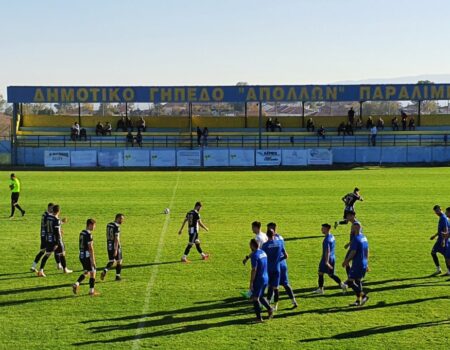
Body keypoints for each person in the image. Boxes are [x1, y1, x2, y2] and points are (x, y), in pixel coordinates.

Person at [342, 211, 369, 307]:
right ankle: (358, 300)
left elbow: (353, 252)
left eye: (353, 228)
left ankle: (364, 296)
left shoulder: (356, 239)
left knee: (350, 282)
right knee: (358, 281)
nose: (352, 229)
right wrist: (367, 263)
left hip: (357, 263)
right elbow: (367, 250)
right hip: (363, 262)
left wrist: (346, 261)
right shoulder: (364, 238)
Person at [267, 223, 297, 308]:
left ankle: (269, 304)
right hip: (283, 264)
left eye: (268, 229)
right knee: (285, 284)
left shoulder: (271, 241)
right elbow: (285, 253)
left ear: (272, 229)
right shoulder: (281, 238)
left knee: (272, 285)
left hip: (275, 265)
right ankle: (294, 301)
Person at [37, 205, 72, 276]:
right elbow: (56, 231)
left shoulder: (48, 217)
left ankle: (41, 270)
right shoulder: (56, 220)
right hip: (56, 240)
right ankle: (65, 269)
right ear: (59, 211)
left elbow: (48, 226)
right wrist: (57, 242)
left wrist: (61, 224)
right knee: (62, 253)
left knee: (47, 254)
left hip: (49, 238)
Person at [313, 224, 347, 294]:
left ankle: (321, 289)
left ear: (327, 229)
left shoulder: (327, 240)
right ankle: (342, 285)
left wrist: (326, 262)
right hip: (332, 257)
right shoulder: (332, 236)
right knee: (331, 274)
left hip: (326, 258)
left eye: (323, 228)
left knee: (320, 273)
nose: (321, 230)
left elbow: (327, 251)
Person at [248, 238, 273, 322]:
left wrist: (251, 282)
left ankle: (259, 318)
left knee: (255, 298)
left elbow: (254, 269)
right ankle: (270, 309)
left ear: (252, 246)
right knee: (261, 296)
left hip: (259, 278)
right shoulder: (263, 252)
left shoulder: (255, 256)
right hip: (266, 277)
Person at [73, 219, 99, 296]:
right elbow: (90, 248)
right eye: (94, 225)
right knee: (93, 272)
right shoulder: (88, 234)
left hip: (81, 255)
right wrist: (93, 260)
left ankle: (76, 284)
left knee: (86, 272)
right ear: (90, 225)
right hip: (87, 256)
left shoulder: (82, 232)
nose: (95, 227)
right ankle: (91, 291)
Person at [31, 203, 61, 272]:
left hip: (46, 236)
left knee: (55, 249)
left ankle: (59, 265)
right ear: (48, 208)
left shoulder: (47, 215)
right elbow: (48, 225)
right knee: (44, 251)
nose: (52, 210)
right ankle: (36, 267)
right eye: (51, 208)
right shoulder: (46, 215)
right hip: (45, 236)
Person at [261, 228, 285, 311]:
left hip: (268, 268)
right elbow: (285, 255)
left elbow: (263, 257)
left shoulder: (265, 245)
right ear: (274, 234)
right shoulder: (280, 243)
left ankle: (267, 303)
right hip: (277, 268)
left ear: (267, 235)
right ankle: (275, 306)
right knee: (276, 288)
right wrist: (278, 260)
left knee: (269, 286)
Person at [101, 214, 125, 281]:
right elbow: (116, 238)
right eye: (121, 219)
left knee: (111, 260)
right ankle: (118, 276)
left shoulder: (109, 225)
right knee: (119, 261)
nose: (122, 221)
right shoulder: (117, 227)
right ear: (117, 218)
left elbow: (107, 234)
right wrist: (116, 249)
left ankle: (105, 270)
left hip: (109, 244)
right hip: (115, 245)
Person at [430, 205, 449, 275]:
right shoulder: (443, 217)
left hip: (442, 240)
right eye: (436, 211)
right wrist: (434, 235)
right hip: (442, 239)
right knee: (445, 255)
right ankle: (446, 271)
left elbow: (445, 229)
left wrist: (443, 240)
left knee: (445, 255)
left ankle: (439, 269)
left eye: (438, 211)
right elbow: (441, 229)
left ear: (441, 209)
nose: (437, 212)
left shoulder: (443, 218)